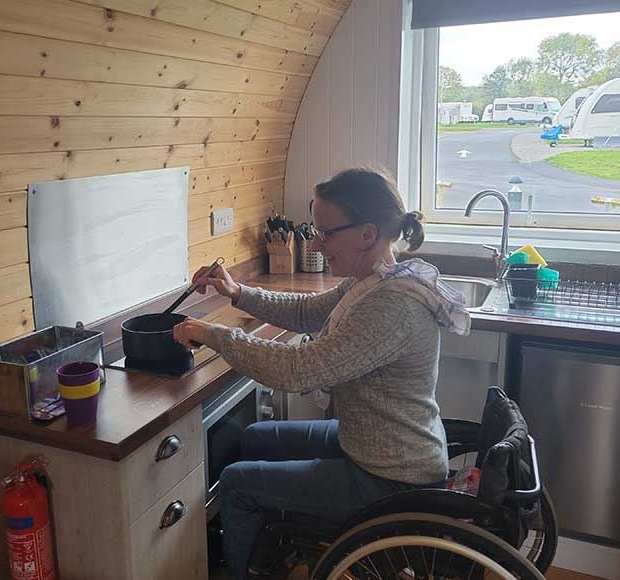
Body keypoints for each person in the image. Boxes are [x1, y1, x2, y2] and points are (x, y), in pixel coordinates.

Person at [173, 168, 470, 580]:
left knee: (237, 483)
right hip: (378, 448)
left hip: (390, 478)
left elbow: (298, 369)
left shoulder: (390, 305)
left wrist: (214, 335)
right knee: (256, 438)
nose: (315, 242)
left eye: (325, 232)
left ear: (367, 234)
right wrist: (237, 292)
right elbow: (306, 312)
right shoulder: (375, 279)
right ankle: (268, 549)